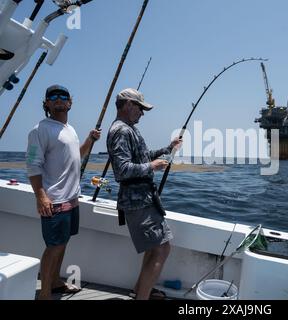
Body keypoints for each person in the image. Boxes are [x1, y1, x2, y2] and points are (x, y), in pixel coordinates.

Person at [26, 85, 101, 300]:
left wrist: (90, 140)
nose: (58, 99)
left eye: (63, 96)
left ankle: (56, 282)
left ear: (70, 103)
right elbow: (33, 166)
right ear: (47, 103)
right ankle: (45, 293)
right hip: (54, 199)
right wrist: (41, 196)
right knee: (54, 247)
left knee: (63, 243)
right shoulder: (39, 129)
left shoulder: (70, 129)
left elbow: (76, 156)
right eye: (53, 96)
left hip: (71, 199)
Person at [106, 88, 181, 300]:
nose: (142, 113)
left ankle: (140, 290)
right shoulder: (121, 131)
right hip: (138, 202)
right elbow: (122, 170)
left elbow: (142, 156)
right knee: (161, 249)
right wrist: (152, 167)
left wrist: (168, 148)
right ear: (128, 105)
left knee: (155, 248)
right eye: (140, 108)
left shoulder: (128, 129)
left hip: (144, 199)